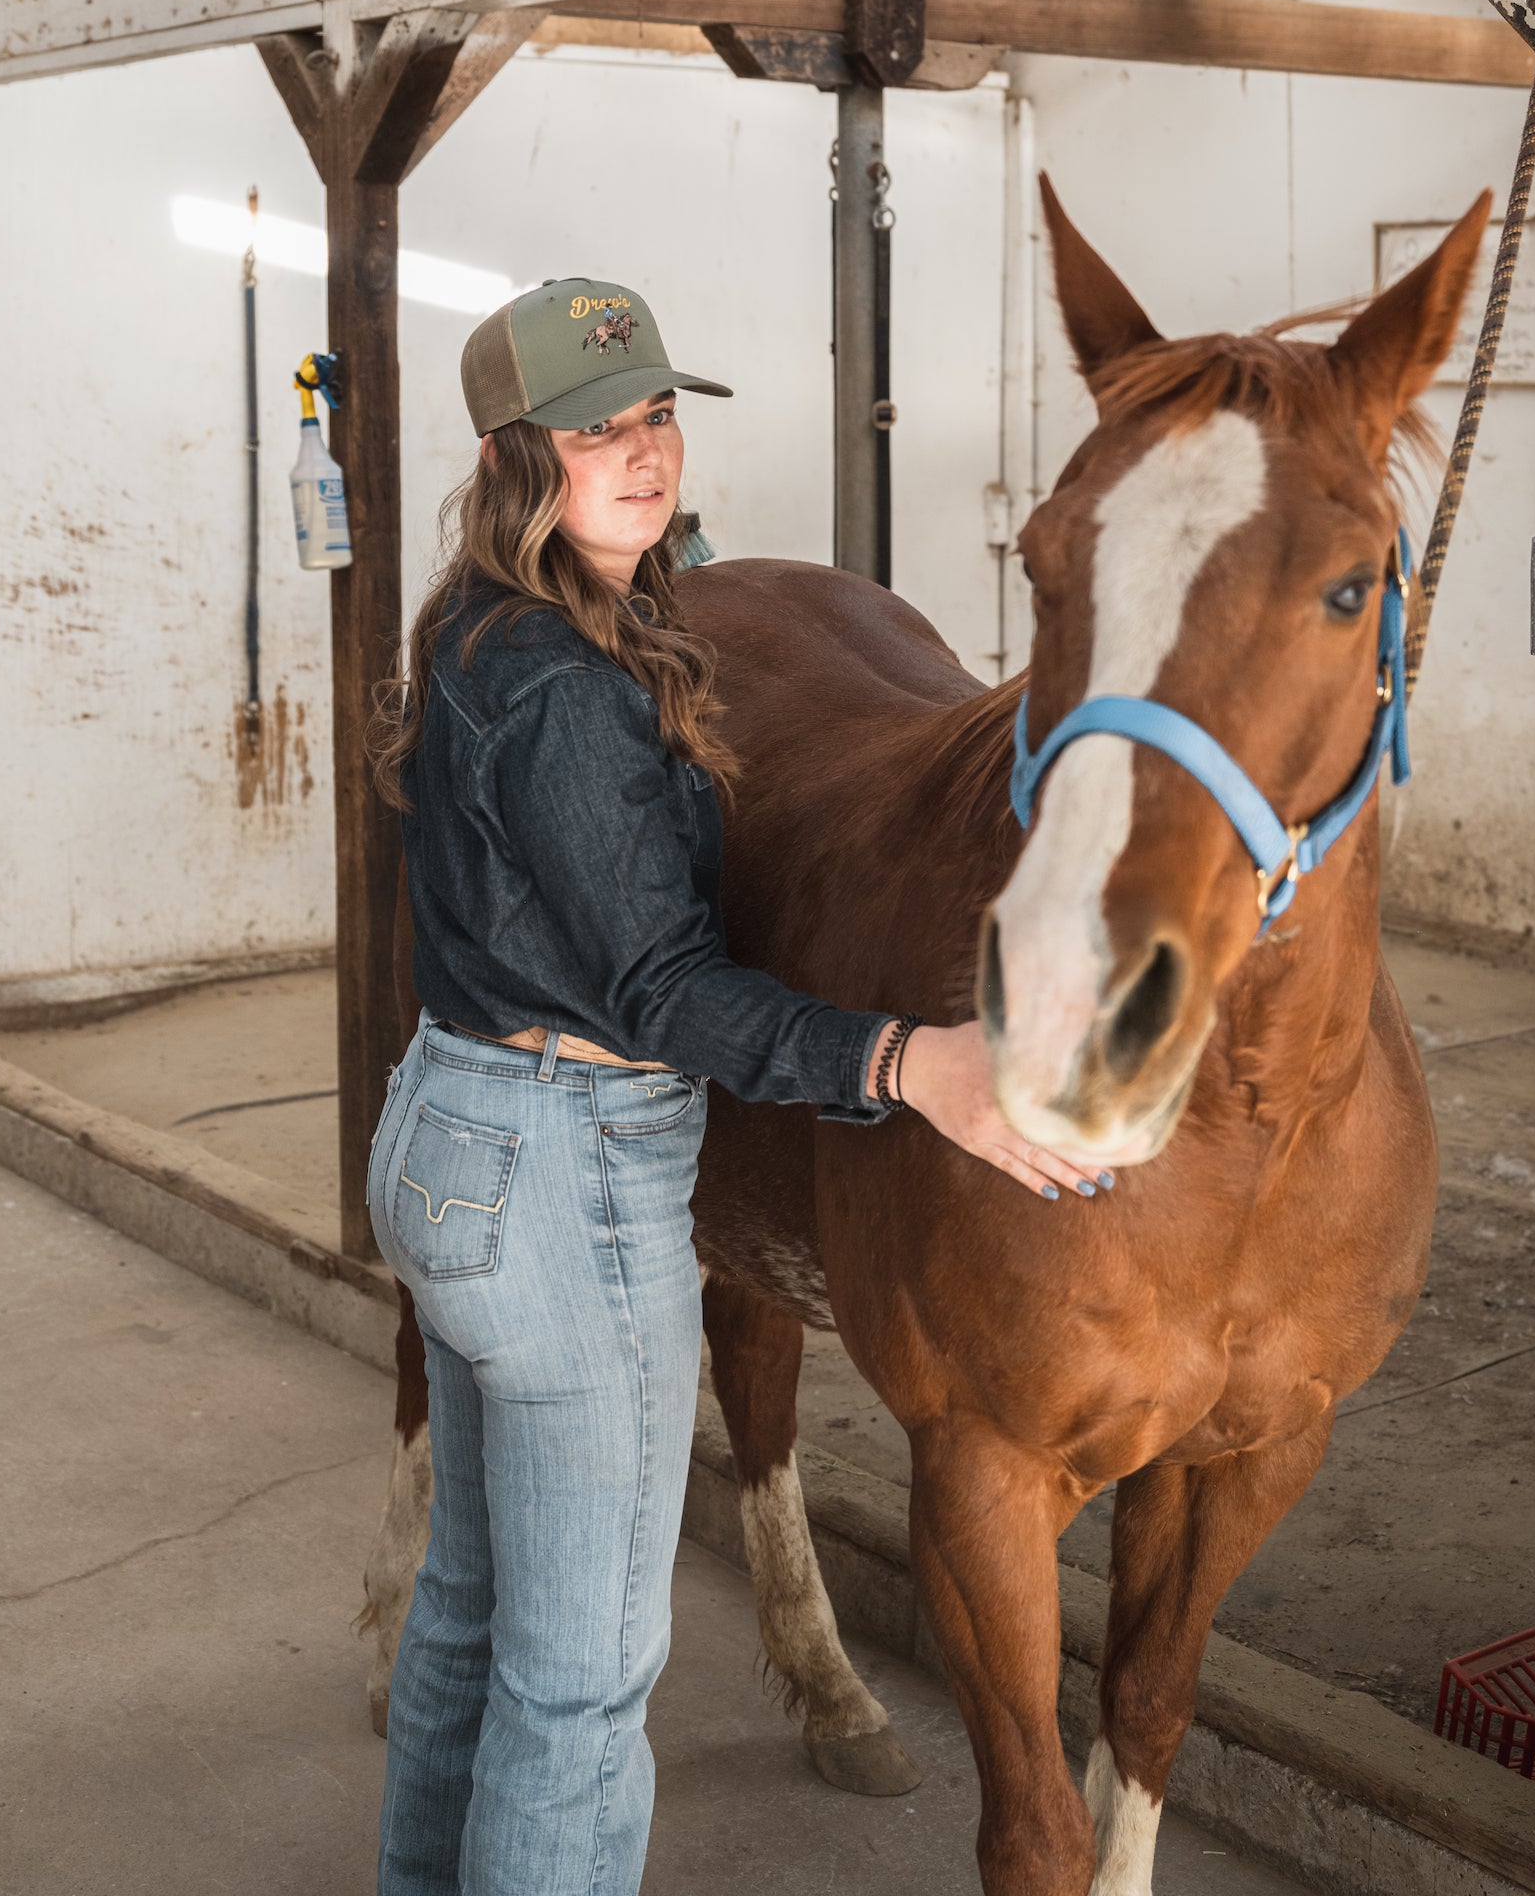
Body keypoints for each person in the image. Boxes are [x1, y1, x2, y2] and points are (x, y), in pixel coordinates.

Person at [364, 277, 1106, 1896]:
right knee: (579, 1686)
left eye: (655, 416)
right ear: (514, 455)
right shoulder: (566, 688)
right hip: (569, 1180)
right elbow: (665, 995)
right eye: (592, 430)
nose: (640, 454)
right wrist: (913, 1061)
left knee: (470, 1616)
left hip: (460, 1128)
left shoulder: (497, 618)